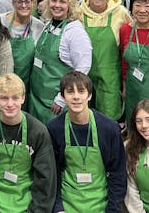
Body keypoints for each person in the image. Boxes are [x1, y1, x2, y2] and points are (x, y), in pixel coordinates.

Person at [47, 71, 126, 213]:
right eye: (70, 92)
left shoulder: (108, 128)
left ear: (89, 95)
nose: (76, 96)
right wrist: (58, 208)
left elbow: (118, 174)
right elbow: (53, 174)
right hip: (67, 205)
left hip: (102, 205)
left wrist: (112, 210)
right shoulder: (54, 128)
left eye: (81, 91)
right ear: (63, 96)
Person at [0, 73, 57, 213]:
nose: (10, 104)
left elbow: (45, 178)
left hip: (28, 201)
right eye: (4, 98)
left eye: (15, 98)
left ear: (23, 98)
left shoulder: (38, 131)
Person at [28, 0, 93, 124]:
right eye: (53, 1)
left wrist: (62, 98)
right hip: (36, 98)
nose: (57, 5)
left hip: (54, 103)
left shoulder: (74, 31)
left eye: (62, 2)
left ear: (70, 5)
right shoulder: (49, 25)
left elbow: (83, 68)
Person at [80, 0, 131, 120]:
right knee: (84, 118)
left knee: (109, 119)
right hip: (83, 76)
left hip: (110, 78)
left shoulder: (120, 13)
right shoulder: (77, 13)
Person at [0, 0, 45, 93]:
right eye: (19, 2)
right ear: (13, 3)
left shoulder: (39, 26)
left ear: (34, 3)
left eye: (28, 2)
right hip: (1, 78)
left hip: (25, 82)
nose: (24, 5)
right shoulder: (1, 21)